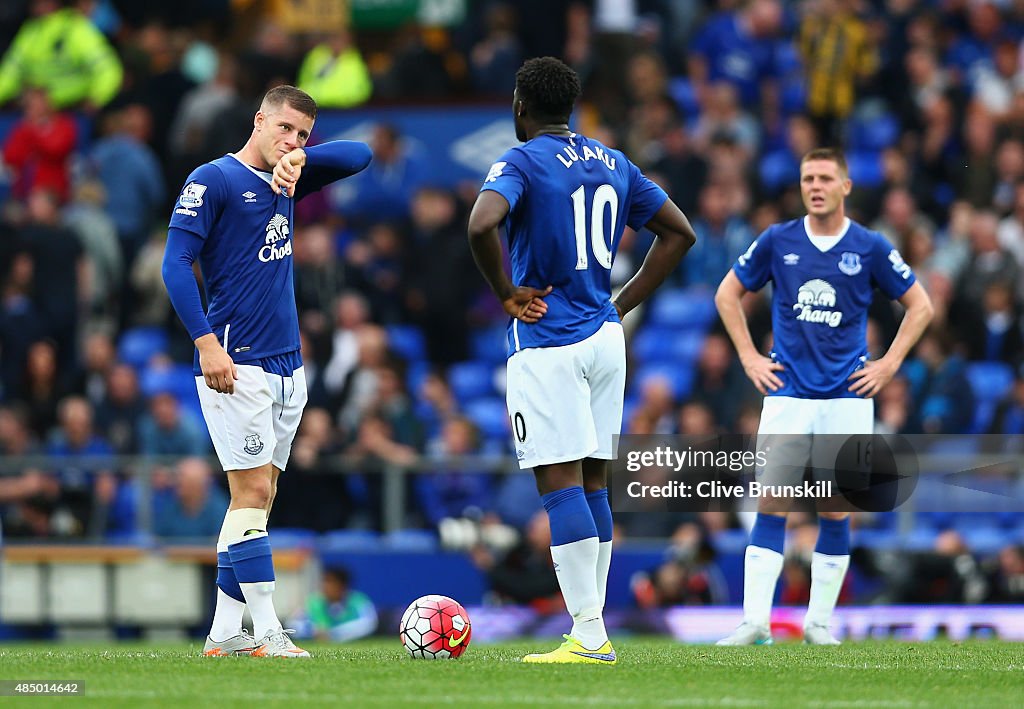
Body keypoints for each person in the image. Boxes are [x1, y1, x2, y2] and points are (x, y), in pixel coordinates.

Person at [467, 57, 696, 664]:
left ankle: (588, 634)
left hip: (550, 342)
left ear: (520, 104)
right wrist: (621, 305)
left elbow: (481, 223)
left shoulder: (520, 161)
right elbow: (679, 233)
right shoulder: (613, 160)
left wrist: (505, 294)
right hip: (603, 335)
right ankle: (591, 630)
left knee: (559, 480)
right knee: (594, 479)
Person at [162, 85, 372, 658]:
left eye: (302, 133)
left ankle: (224, 633)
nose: (291, 141)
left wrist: (304, 159)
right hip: (237, 360)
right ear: (258, 120)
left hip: (287, 364)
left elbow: (361, 154)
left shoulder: (291, 176)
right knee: (251, 492)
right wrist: (206, 343)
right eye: (284, 129)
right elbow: (175, 264)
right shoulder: (214, 180)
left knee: (256, 499)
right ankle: (268, 631)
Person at [714, 148, 933, 645]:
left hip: (847, 395)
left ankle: (818, 625)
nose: (815, 185)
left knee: (835, 509)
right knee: (773, 503)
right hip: (788, 392)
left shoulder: (870, 246)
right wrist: (749, 357)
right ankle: (754, 623)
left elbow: (920, 305)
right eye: (808, 177)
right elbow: (727, 294)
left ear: (845, 186)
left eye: (825, 178)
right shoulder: (778, 240)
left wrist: (890, 364)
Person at [288, 567, 378, 643]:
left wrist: (333, 634)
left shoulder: (358, 601)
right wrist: (312, 631)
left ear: (342, 585)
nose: (325, 586)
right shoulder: (314, 602)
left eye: (330, 582)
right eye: (324, 581)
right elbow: (292, 625)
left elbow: (369, 624)